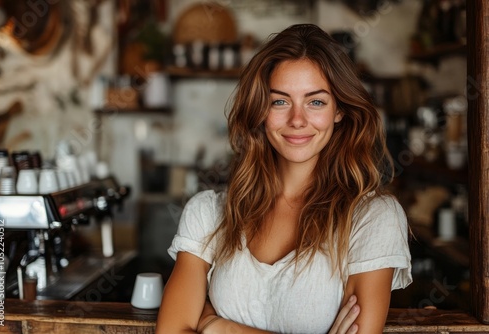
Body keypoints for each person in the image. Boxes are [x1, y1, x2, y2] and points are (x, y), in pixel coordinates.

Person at [155, 23, 412, 334]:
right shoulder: (208, 214)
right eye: (280, 101)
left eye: (316, 101)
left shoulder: (372, 219)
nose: (297, 120)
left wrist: (220, 327)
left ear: (339, 110)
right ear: (260, 110)